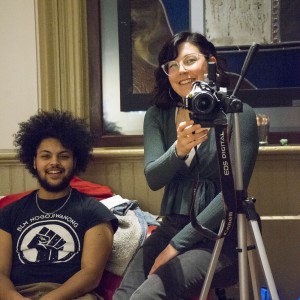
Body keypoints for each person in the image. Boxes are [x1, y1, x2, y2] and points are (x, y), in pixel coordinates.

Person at [113, 31, 259, 299]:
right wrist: (178, 149)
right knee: (125, 295)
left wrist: (176, 247)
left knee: (149, 295)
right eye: (172, 65)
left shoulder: (239, 114)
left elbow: (231, 193)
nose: (182, 71)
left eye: (190, 60)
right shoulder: (158, 116)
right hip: (171, 227)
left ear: (210, 63)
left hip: (221, 237)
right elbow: (154, 179)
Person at [0, 110, 118, 300]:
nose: (54, 163)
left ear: (75, 161)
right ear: (34, 162)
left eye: (63, 156)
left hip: (72, 295)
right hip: (18, 294)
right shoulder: (8, 214)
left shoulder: (94, 212)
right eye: (46, 156)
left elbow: (91, 276)